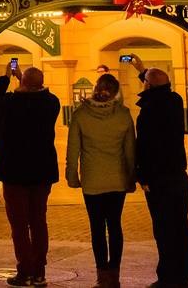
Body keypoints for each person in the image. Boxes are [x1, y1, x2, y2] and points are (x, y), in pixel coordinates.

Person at [66, 73, 136, 288]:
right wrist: (132, 178)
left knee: (97, 227)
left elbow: (73, 149)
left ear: (96, 88)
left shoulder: (80, 115)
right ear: (116, 92)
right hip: (117, 180)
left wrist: (72, 176)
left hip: (92, 180)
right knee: (115, 225)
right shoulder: (124, 115)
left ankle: (101, 274)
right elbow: (130, 151)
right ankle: (114, 273)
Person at [0, 67, 60, 287]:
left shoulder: (11, 103)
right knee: (39, 221)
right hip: (42, 171)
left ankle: (25, 271)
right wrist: (27, 83)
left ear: (22, 83)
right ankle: (39, 271)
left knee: (20, 225)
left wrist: (8, 78)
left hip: (15, 172)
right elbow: (44, 95)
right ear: (41, 84)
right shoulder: (51, 103)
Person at [136, 68, 188, 288]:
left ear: (147, 86)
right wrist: (143, 72)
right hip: (178, 175)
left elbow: (145, 147)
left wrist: (143, 177)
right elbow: (158, 84)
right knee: (181, 226)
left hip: (158, 178)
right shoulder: (175, 101)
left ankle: (168, 277)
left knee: (163, 228)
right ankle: (183, 275)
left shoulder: (148, 111)